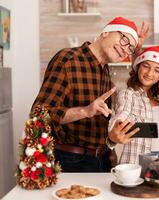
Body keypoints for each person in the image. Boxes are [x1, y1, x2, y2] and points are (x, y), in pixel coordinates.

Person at [31, 16, 149, 172]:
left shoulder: (105, 70)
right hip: (71, 161)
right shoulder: (67, 60)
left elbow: (101, 121)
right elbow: (39, 113)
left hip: (102, 159)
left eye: (130, 48)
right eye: (124, 39)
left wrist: (110, 151)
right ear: (105, 33)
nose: (125, 49)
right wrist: (84, 111)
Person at [107, 44, 159, 164]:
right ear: (138, 67)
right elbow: (122, 113)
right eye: (146, 66)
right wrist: (115, 130)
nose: (150, 73)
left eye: (157, 70)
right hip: (139, 160)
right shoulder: (127, 94)